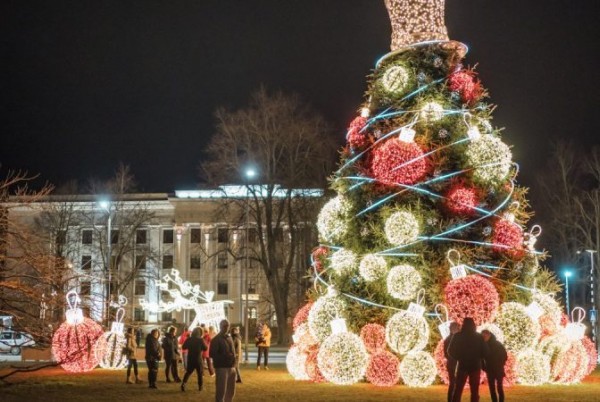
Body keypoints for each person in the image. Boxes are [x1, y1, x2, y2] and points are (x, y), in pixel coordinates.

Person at [448, 317, 488, 402]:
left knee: (458, 390)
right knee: (474, 391)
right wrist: (479, 357)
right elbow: (485, 351)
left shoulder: (458, 336)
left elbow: (450, 350)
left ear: (463, 325)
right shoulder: (479, 337)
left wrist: (459, 357)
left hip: (462, 365)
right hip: (475, 366)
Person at [210, 319, 237, 402]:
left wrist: (234, 359)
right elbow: (212, 354)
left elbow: (233, 351)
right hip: (222, 367)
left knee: (231, 391)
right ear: (220, 326)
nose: (226, 328)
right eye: (225, 326)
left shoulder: (229, 338)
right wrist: (226, 356)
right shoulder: (216, 339)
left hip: (231, 367)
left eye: (228, 326)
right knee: (221, 391)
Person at [482, 330, 508, 402]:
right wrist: (484, 368)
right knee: (492, 388)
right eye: (483, 336)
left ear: (489, 335)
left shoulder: (497, 344)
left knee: (499, 387)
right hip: (490, 369)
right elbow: (481, 357)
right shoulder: (485, 345)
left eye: (485, 336)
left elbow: (504, 356)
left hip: (497, 369)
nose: (484, 338)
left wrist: (500, 364)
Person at [181, 327, 208, 392]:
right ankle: (200, 387)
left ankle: (183, 384)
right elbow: (205, 348)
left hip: (190, 358)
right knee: (200, 373)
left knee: (188, 372)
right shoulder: (200, 340)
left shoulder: (189, 339)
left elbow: (183, 347)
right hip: (198, 359)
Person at [444, 322, 460, 402]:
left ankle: (452, 399)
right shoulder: (451, 339)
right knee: (454, 383)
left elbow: (446, 354)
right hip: (453, 364)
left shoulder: (448, 338)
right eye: (458, 328)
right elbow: (447, 354)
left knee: (454, 383)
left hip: (452, 364)